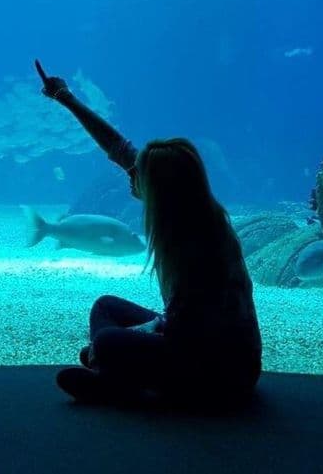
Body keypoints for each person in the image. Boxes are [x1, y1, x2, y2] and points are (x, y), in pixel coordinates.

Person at [34, 59, 262, 408]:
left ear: (161, 188)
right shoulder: (190, 211)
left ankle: (115, 380)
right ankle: (115, 374)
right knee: (106, 306)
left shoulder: (196, 244)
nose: (129, 174)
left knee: (109, 341)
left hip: (222, 371)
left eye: (137, 174)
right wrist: (66, 98)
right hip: (197, 342)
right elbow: (120, 149)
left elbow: (184, 332)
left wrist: (119, 342)